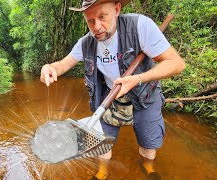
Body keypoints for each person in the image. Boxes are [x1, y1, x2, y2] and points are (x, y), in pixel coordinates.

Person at [40, 0, 185, 179]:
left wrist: (138, 78)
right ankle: (103, 171)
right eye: (90, 21)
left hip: (144, 94)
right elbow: (62, 64)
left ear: (117, 9)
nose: (97, 27)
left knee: (148, 143)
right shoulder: (86, 42)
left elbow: (177, 63)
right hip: (111, 97)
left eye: (102, 16)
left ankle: (147, 167)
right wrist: (51, 67)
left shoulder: (140, 26)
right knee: (101, 141)